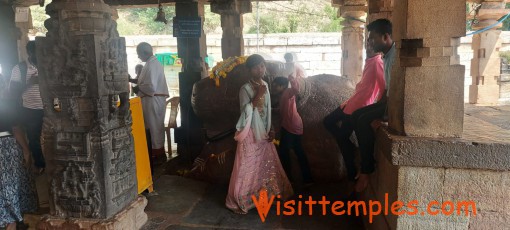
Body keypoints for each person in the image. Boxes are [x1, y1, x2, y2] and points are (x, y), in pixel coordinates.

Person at [226, 54, 293, 214]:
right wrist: (258, 94)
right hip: (250, 132)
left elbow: (267, 110)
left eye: (262, 65)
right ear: (249, 70)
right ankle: (241, 198)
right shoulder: (245, 88)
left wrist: (271, 128)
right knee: (246, 165)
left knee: (264, 163)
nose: (260, 69)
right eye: (256, 67)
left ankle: (264, 194)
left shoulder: (264, 84)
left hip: (263, 130)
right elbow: (245, 111)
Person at [323, 41, 385, 192]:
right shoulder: (369, 61)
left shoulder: (377, 63)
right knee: (329, 122)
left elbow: (383, 88)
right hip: (351, 103)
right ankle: (352, 156)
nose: (368, 46)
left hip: (359, 107)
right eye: (367, 43)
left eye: (372, 44)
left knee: (343, 139)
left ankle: (352, 176)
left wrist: (379, 112)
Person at [351, 18, 395, 192]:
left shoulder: (396, 56)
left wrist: (383, 115)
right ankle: (366, 165)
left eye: (372, 38)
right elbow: (387, 88)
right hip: (388, 103)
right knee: (357, 115)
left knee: (361, 120)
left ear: (385, 37)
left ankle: (366, 169)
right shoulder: (386, 56)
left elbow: (399, 91)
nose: (369, 42)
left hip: (396, 105)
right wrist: (377, 110)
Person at [0, 74, 38, 230]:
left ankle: (9, 219)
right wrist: (27, 150)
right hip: (6, 147)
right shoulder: (5, 105)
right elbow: (16, 130)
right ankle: (12, 221)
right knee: (11, 184)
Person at [9, 40, 45, 174]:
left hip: (49, 108)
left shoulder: (46, 65)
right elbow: (12, 92)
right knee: (34, 138)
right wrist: (30, 83)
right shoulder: (20, 69)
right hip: (30, 110)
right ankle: (40, 164)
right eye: (37, 52)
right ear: (30, 52)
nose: (40, 55)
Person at [271, 75, 313, 187]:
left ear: (283, 86)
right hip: (292, 125)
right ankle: (307, 180)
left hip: (291, 126)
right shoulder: (284, 95)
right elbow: (284, 108)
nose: (274, 88)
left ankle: (289, 180)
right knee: (298, 152)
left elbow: (296, 90)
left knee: (284, 152)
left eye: (276, 86)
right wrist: (273, 110)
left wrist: (292, 80)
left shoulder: (288, 91)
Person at [134, 42, 169, 164]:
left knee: (155, 128)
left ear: (144, 53)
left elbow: (151, 86)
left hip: (153, 100)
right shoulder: (150, 63)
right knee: (154, 127)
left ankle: (157, 155)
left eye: (139, 54)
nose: (138, 57)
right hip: (152, 100)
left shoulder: (152, 65)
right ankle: (155, 153)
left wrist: (138, 88)